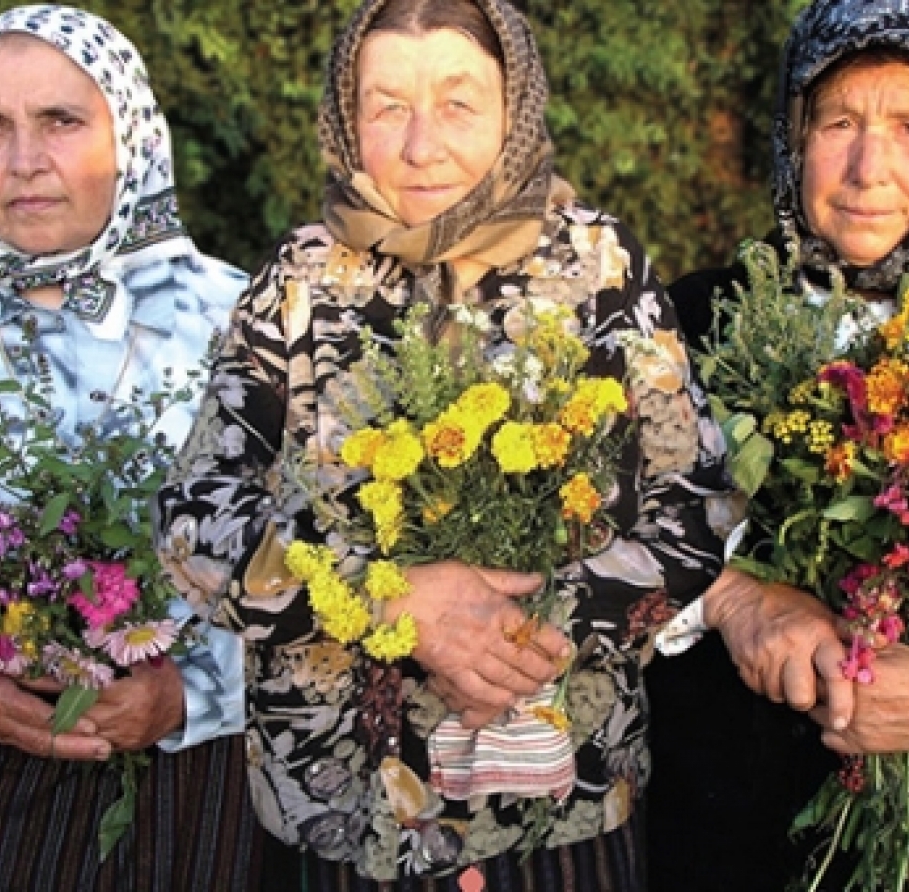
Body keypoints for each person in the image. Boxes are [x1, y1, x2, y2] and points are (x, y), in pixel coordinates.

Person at [154, 0, 732, 888]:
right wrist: (391, 604)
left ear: (516, 110)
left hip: (562, 818)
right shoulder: (299, 284)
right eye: (387, 106)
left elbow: (694, 506)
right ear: (347, 121)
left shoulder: (598, 268)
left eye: (457, 103)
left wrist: (526, 631)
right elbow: (195, 527)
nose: (421, 145)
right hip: (341, 817)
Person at [645, 1, 909, 890]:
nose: (869, 167)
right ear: (793, 136)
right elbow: (597, 550)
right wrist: (733, 595)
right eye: (839, 122)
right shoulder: (688, 325)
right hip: (722, 844)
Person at [0, 6, 279, 890]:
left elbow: (328, 574)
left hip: (203, 792)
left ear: (128, 132)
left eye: (61, 121)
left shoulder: (248, 322)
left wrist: (187, 695)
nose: (24, 162)